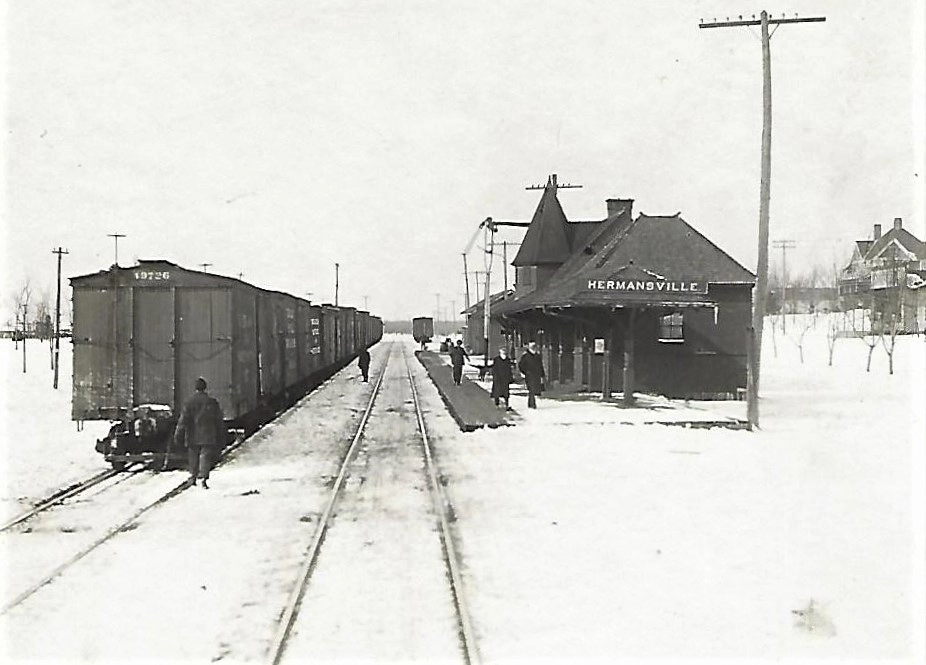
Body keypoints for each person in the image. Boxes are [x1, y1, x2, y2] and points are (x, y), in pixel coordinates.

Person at [174, 377, 226, 489]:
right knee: (205, 456)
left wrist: (178, 433)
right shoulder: (212, 402)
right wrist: (221, 434)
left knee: (193, 456)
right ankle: (203, 479)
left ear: (195, 388)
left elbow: (183, 420)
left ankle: (193, 477)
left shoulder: (189, 402)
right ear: (205, 388)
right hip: (208, 434)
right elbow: (218, 420)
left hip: (192, 435)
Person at [517, 340, 546, 409]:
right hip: (529, 375)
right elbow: (521, 365)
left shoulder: (537, 356)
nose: (534, 348)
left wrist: (542, 375)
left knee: (535, 389)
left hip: (537, 375)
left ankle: (530, 403)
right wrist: (524, 372)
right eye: (532, 346)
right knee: (531, 389)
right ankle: (532, 404)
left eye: (534, 346)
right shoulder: (526, 356)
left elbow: (540, 365)